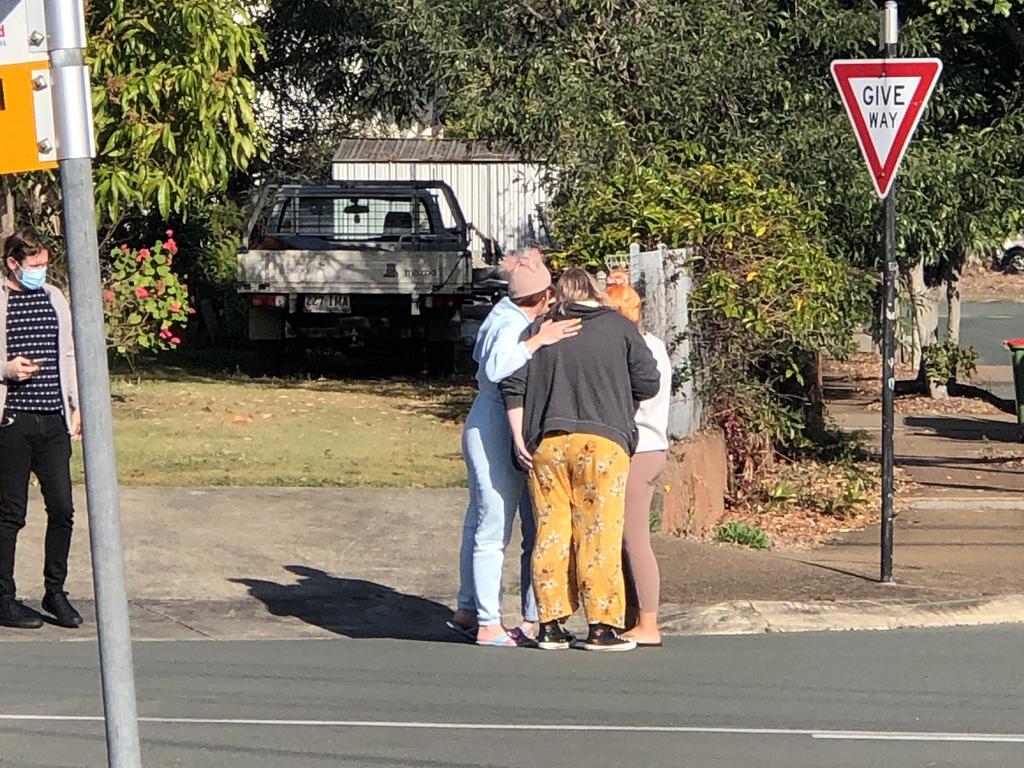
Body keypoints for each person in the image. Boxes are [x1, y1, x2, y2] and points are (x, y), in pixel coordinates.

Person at [501, 268, 660, 652]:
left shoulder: (541, 329)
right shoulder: (619, 328)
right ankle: (601, 626)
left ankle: (550, 624)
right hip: (603, 441)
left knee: (551, 530)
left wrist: (520, 435)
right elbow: (648, 381)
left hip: (547, 443)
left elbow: (512, 383)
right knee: (599, 531)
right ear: (594, 291)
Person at [449, 248, 580, 647]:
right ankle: (489, 623)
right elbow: (494, 368)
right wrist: (538, 341)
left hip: (488, 418)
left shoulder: (506, 313)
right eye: (550, 295)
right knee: (494, 526)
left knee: (488, 520)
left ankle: (473, 607)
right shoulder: (513, 324)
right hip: (494, 421)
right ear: (541, 298)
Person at [0, 228, 82, 629]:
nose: (41, 272)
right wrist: (7, 370)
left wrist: (75, 405)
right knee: (11, 512)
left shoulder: (54, 298)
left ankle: (55, 592)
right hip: (13, 419)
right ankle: (3, 598)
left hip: (53, 419)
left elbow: (68, 352)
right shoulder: (2, 300)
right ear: (13, 264)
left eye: (45, 265)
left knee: (63, 508)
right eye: (34, 266)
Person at [603, 280, 672, 647]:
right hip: (653, 446)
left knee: (634, 539)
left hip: (640, 449)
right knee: (626, 538)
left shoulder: (636, 351)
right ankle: (633, 617)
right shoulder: (655, 345)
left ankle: (648, 622)